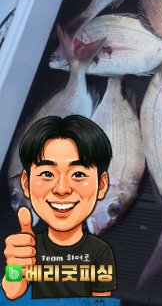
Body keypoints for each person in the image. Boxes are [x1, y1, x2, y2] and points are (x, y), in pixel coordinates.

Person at [2, 115, 117, 300]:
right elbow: (12, 292)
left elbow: (101, 298)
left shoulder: (100, 252)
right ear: (26, 183)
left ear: (101, 186)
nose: (62, 189)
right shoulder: (26, 247)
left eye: (78, 174)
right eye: (47, 174)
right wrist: (15, 268)